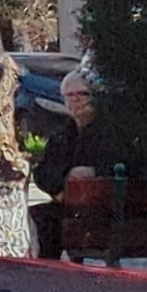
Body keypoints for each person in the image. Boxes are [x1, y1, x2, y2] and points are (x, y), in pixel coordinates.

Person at [24, 71, 114, 259]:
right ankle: (48, 270)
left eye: (82, 94)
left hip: (108, 210)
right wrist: (61, 185)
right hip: (68, 206)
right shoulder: (63, 133)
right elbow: (43, 172)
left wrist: (92, 172)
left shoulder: (110, 131)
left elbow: (126, 164)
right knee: (40, 216)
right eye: (70, 95)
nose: (76, 100)